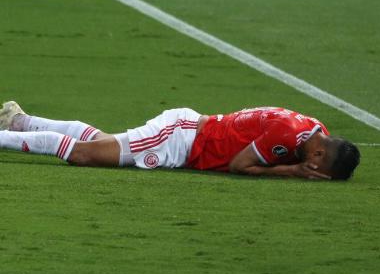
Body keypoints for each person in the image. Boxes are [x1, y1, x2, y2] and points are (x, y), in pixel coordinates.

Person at [0, 101, 360, 180]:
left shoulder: (315, 130)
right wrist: (293, 172)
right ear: (317, 151)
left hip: (186, 135)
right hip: (181, 139)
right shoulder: (287, 135)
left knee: (102, 143)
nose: (315, 169)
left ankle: (18, 120)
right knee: (85, 156)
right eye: (318, 165)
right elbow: (239, 166)